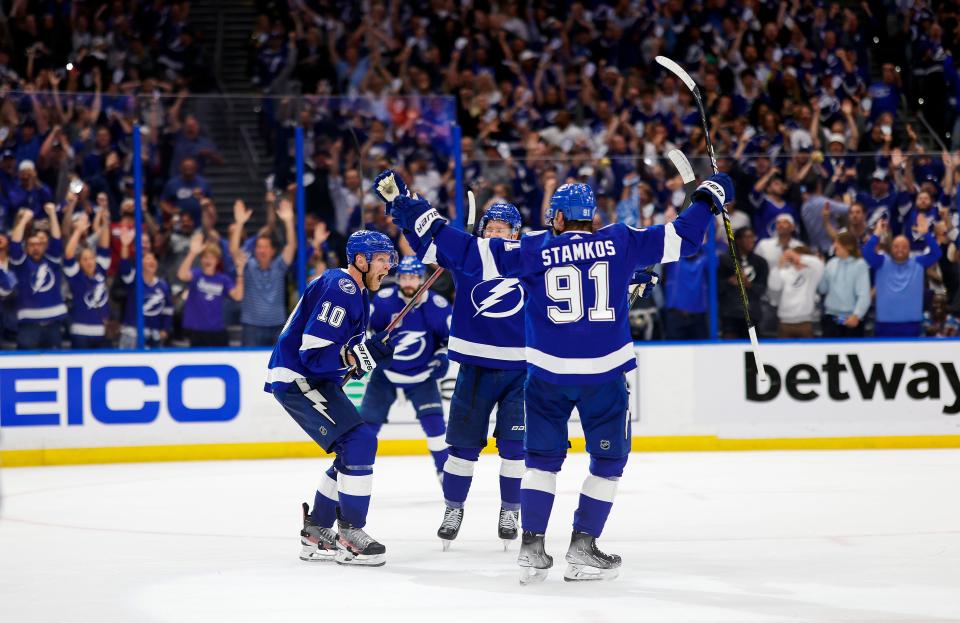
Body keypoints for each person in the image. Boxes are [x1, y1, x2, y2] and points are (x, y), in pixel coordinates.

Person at [376, 168, 727, 583]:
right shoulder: (620, 240)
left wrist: (406, 205)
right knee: (609, 462)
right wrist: (708, 198)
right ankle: (582, 548)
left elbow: (458, 249)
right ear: (591, 217)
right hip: (604, 376)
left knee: (541, 463)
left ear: (557, 218)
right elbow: (683, 236)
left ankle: (532, 548)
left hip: (545, 377)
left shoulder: (533, 249)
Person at [265, 230, 398, 566]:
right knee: (360, 441)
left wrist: (367, 355)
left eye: (388, 259)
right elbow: (313, 355)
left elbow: (346, 362)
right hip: (300, 379)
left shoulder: (357, 294)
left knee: (353, 447)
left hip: (312, 379)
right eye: (381, 258)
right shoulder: (343, 288)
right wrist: (360, 354)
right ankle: (350, 533)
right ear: (361, 259)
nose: (388, 266)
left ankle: (317, 530)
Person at [419, 203, 528, 550]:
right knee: (462, 448)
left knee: (514, 448)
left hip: (521, 371)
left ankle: (510, 510)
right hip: (475, 368)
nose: (496, 234)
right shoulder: (467, 258)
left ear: (516, 234)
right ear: (481, 232)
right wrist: (403, 213)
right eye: (490, 228)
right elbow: (426, 246)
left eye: (503, 229)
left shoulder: (531, 260)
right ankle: (453, 510)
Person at [360, 256, 451, 476]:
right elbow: (367, 331)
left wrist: (441, 357)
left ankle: (444, 473)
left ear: (422, 279)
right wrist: (372, 350)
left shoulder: (438, 306)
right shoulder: (383, 300)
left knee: (436, 428)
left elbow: (449, 342)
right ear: (398, 279)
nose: (408, 282)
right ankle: (355, 468)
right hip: (386, 375)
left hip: (422, 376)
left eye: (413, 277)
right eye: (404, 277)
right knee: (366, 428)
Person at [230, 197, 297, 346]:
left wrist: (288, 221)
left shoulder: (279, 266)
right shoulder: (249, 266)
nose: (262, 250)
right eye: (259, 247)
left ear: (272, 251)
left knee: (277, 368)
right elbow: (234, 252)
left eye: (266, 247)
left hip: (277, 325)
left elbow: (291, 247)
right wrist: (239, 223)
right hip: (251, 326)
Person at [862, 217, 942, 337]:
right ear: (891, 248)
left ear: (909, 249)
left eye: (904, 247)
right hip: (884, 324)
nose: (900, 250)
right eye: (896, 246)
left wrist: (926, 234)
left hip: (911, 324)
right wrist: (877, 234)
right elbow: (866, 252)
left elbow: (937, 253)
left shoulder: (918, 262)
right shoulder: (881, 262)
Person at [8, 205, 66, 349]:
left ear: (45, 246)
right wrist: (24, 220)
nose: (36, 248)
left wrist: (52, 214)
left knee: (55, 363)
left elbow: (57, 239)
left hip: (53, 322)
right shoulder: (21, 264)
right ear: (26, 247)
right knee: (26, 365)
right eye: (32, 245)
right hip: (29, 324)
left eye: (39, 244)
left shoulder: (52, 260)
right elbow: (15, 243)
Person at [177, 232, 245, 347]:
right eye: (205, 257)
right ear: (201, 259)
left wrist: (240, 271)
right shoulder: (196, 274)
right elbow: (182, 275)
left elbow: (238, 296)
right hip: (196, 330)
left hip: (216, 330)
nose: (208, 260)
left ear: (217, 260)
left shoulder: (223, 279)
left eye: (211, 257)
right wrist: (192, 253)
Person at [117, 228, 174, 349]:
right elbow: (124, 267)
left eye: (153, 259)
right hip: (133, 333)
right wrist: (125, 245)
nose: (151, 261)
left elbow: (168, 309)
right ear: (140, 263)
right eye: (147, 259)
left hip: (154, 335)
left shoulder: (162, 285)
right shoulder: (134, 279)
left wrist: (165, 329)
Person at [62, 209, 111, 348]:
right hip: (81, 333)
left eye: (91, 258)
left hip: (102, 332)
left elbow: (104, 247)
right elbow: (69, 255)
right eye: (85, 259)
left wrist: (106, 223)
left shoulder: (101, 271)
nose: (89, 262)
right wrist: (78, 231)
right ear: (80, 262)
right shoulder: (76, 276)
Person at [818, 231, 872, 337]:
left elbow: (864, 294)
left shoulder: (860, 265)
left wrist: (857, 315)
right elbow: (822, 289)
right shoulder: (831, 263)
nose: (834, 246)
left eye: (837, 243)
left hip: (851, 318)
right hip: (831, 318)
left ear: (848, 246)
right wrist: (821, 269)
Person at [718, 227, 768, 339]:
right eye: (747, 237)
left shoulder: (760, 262)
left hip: (752, 315)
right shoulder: (724, 260)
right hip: (730, 315)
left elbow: (762, 289)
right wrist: (729, 281)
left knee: (752, 352)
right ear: (739, 240)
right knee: (730, 350)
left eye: (752, 237)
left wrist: (747, 284)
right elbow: (716, 287)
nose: (752, 240)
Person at [767, 247, 825, 338]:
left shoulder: (813, 273)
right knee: (783, 352)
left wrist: (798, 257)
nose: (797, 260)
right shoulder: (784, 273)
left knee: (807, 352)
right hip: (785, 322)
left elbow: (819, 264)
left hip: (805, 322)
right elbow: (774, 286)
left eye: (800, 257)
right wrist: (779, 266)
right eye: (793, 258)